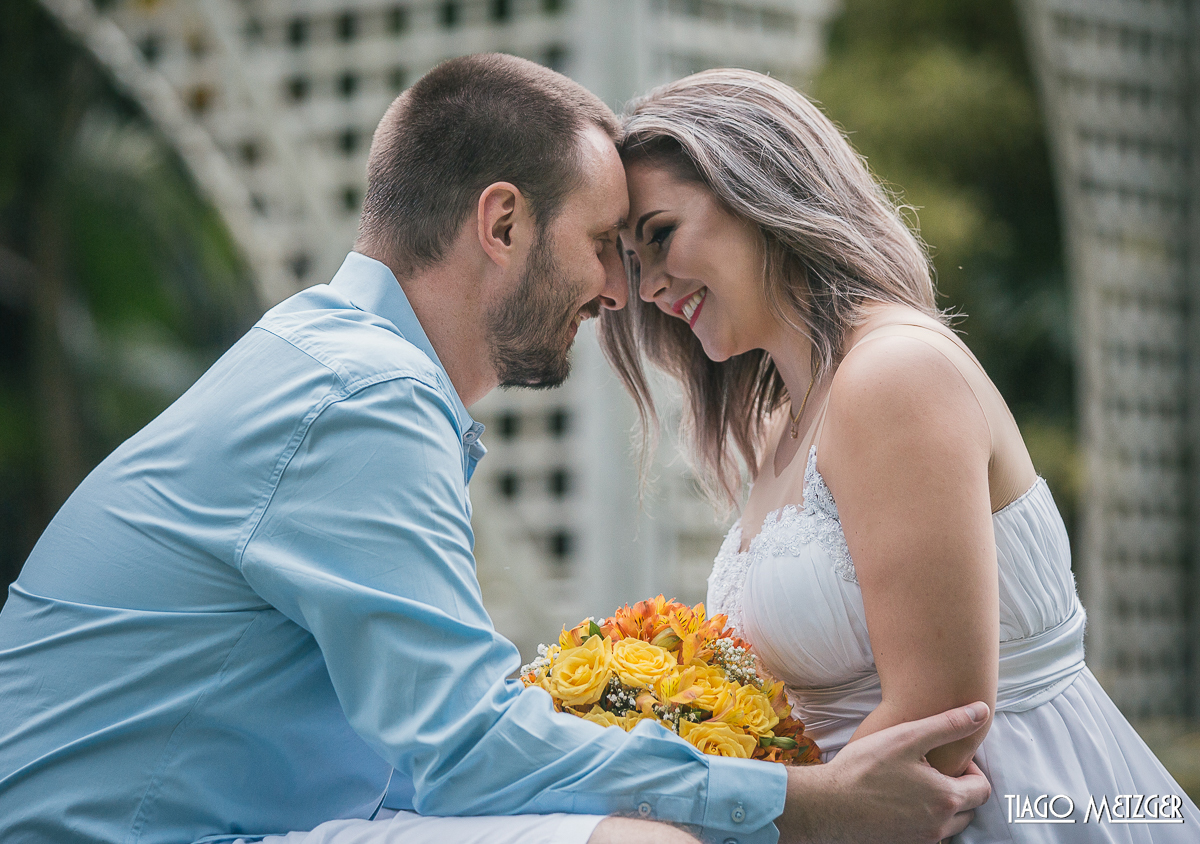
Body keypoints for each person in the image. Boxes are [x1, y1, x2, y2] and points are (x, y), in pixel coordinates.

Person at [0, 54, 992, 844]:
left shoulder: (336, 362)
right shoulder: (363, 396)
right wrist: (794, 801)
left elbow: (421, 751)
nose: (620, 294)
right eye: (606, 242)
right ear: (504, 222)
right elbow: (461, 745)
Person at [601, 67, 1200, 842]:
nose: (647, 286)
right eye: (630, 258)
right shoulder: (784, 418)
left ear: (760, 188)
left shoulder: (893, 375)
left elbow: (939, 728)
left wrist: (714, 808)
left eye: (659, 235)